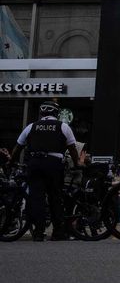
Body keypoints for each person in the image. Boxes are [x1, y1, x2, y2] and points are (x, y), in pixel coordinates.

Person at [10, 101, 81, 241]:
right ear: (56, 113)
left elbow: (18, 147)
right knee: (55, 197)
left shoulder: (31, 126)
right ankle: (58, 232)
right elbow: (72, 148)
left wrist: (11, 162)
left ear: (41, 113)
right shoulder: (63, 126)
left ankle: (38, 232)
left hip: (35, 163)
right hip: (54, 164)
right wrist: (77, 163)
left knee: (37, 198)